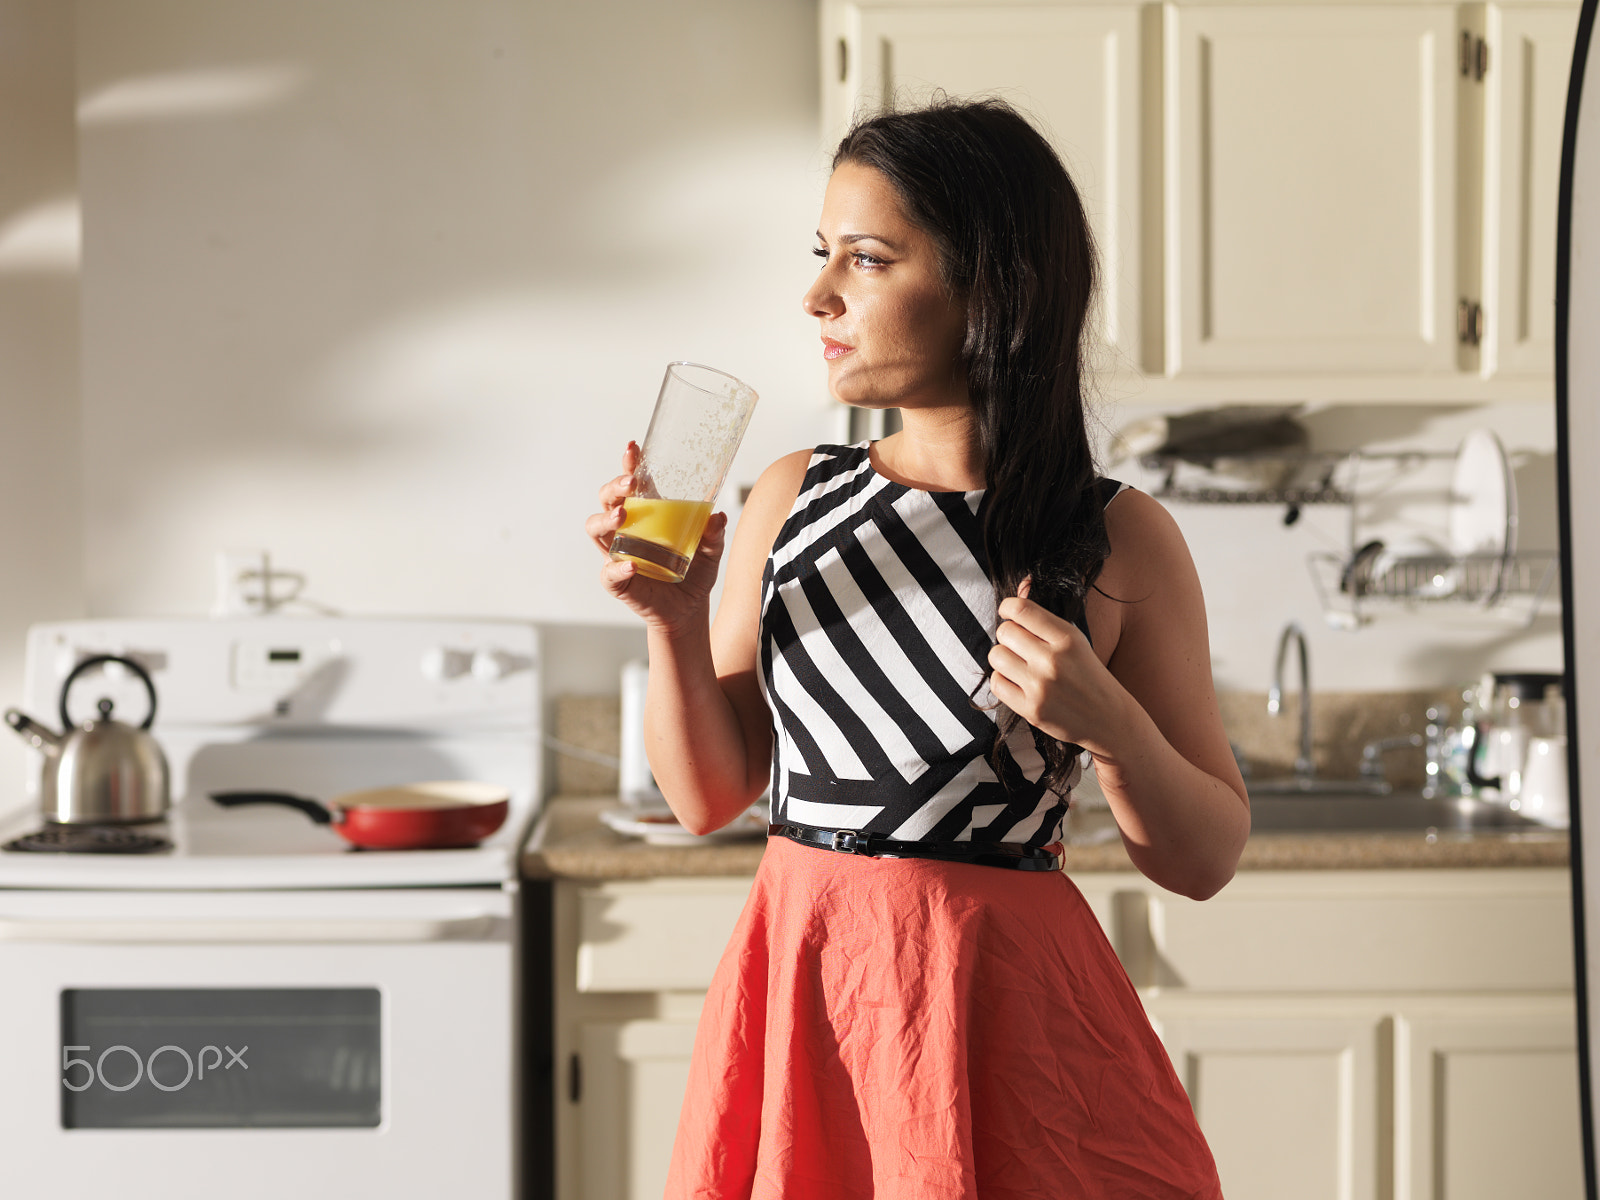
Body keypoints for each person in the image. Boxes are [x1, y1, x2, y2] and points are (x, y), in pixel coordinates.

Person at [586, 97, 1249, 1200]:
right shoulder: (792, 496)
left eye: (867, 258)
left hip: (1011, 1029)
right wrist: (672, 617)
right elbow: (708, 797)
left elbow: (1203, 857)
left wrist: (1117, 731)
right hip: (809, 994)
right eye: (822, 254)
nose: (818, 295)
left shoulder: (1113, 535)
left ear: (990, 286)